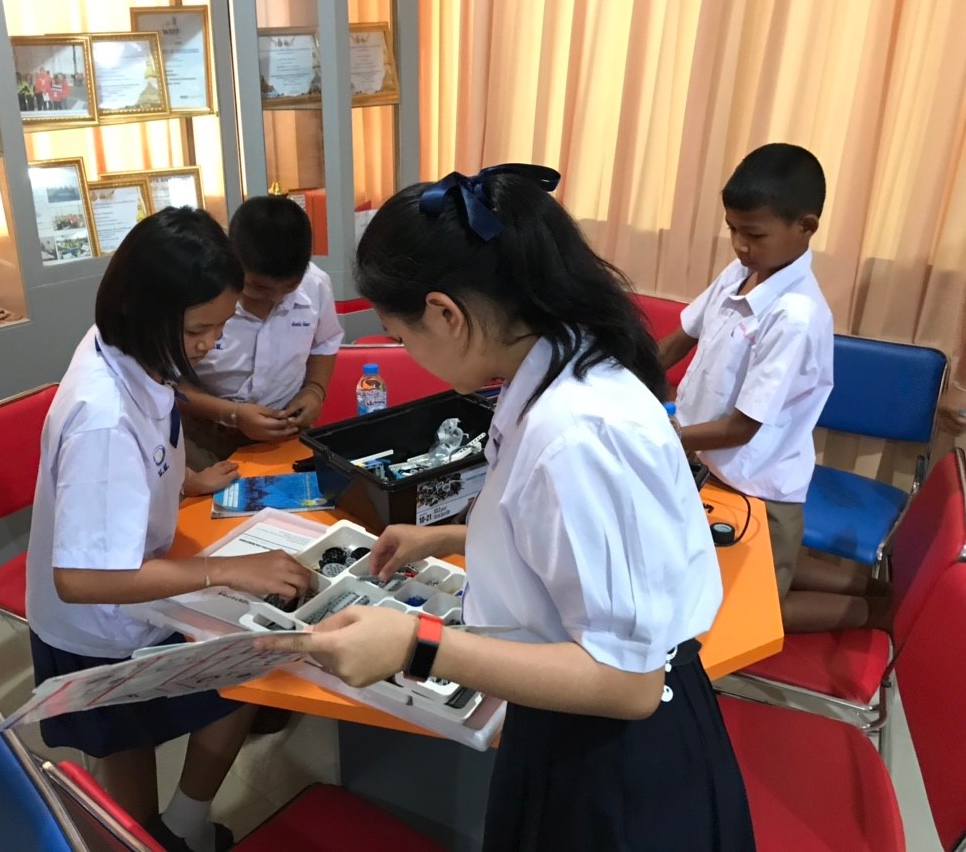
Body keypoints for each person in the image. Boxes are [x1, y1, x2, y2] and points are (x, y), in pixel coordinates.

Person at [258, 164, 755, 850]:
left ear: (446, 314)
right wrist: (454, 539)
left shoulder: (577, 431)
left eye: (402, 336)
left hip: (618, 753)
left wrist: (416, 644)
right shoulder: (556, 364)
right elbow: (565, 537)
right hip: (569, 717)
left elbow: (627, 682)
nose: (406, 352)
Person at [26, 207, 314, 852]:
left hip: (137, 582)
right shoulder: (102, 416)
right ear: (143, 308)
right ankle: (153, 837)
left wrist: (183, 481)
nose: (209, 345)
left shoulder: (127, 347)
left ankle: (184, 828)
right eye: (196, 330)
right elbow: (82, 579)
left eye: (220, 325)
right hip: (101, 617)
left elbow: (148, 434)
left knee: (235, 676)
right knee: (131, 750)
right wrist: (226, 570)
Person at [658, 144, 890, 634]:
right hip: (716, 468)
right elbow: (682, 336)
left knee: (754, 613)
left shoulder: (795, 316)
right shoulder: (741, 273)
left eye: (754, 234)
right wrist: (618, 373)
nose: (740, 245)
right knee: (751, 568)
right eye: (733, 230)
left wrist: (661, 436)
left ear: (805, 226)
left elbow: (742, 428)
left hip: (760, 487)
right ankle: (877, 591)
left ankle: (886, 613)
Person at [178, 196, 343, 471]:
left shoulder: (316, 285)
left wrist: (315, 391)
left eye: (289, 287)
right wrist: (232, 414)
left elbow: (325, 342)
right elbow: (167, 382)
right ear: (232, 260)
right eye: (259, 288)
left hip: (284, 430)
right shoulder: (199, 294)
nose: (275, 298)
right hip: (204, 433)